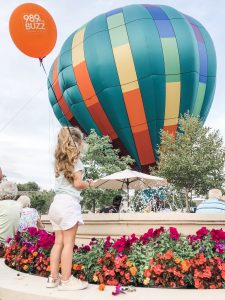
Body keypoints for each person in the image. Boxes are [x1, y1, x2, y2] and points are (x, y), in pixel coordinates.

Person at [47, 127, 94, 291]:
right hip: (68, 205)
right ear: (78, 143)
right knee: (68, 244)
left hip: (55, 205)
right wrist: (90, 184)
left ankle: (53, 278)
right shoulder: (76, 161)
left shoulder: (59, 163)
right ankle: (66, 281)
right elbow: (78, 184)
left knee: (58, 242)